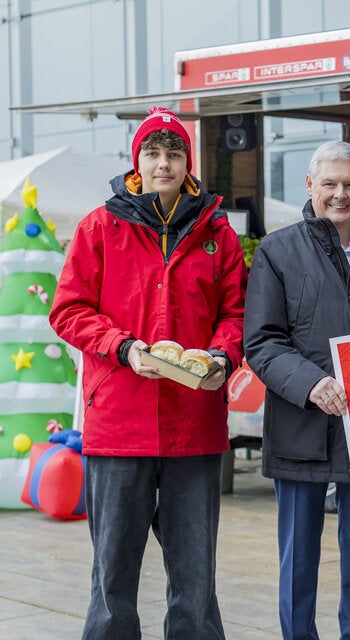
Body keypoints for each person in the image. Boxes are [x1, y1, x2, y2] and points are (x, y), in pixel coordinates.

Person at [49, 106, 247, 639]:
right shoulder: (99, 226)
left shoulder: (219, 234)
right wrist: (123, 347)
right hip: (119, 425)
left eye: (174, 153)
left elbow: (237, 315)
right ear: (136, 161)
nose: (164, 164)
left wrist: (222, 357)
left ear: (188, 162)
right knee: (112, 579)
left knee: (195, 581)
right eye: (153, 153)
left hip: (194, 426)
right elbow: (68, 310)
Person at [243, 139, 350, 640]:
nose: (340, 194)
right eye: (330, 184)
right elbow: (261, 341)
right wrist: (311, 383)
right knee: (298, 563)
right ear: (309, 186)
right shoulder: (277, 251)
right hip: (300, 428)